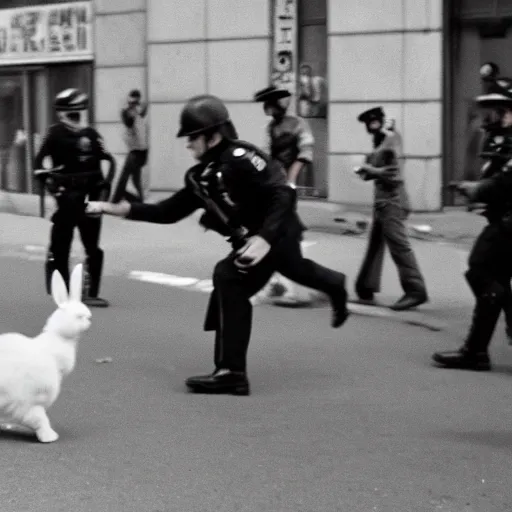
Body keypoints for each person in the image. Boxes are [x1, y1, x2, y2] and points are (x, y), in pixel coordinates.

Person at [86, 94, 350, 395]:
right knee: (295, 269)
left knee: (230, 278)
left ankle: (232, 372)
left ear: (212, 136)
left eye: (192, 138)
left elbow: (282, 194)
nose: (188, 145)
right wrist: (116, 209)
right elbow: (167, 212)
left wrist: (265, 238)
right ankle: (336, 285)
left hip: (276, 232)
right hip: (257, 240)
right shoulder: (201, 176)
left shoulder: (242, 157)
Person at [433, 79, 512, 370]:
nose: (487, 118)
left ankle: (476, 351)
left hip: (508, 225)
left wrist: (476, 189)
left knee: (481, 271)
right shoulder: (501, 140)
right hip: (503, 221)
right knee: (497, 279)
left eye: (495, 111)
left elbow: (506, 182)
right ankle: (476, 351)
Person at [34, 88, 115, 308]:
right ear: (62, 113)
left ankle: (90, 291)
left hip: (90, 197)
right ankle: (63, 290)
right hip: (66, 197)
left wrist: (102, 192)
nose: (79, 117)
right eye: (74, 113)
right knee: (60, 245)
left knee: (92, 246)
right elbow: (38, 166)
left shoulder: (92, 135)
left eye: (81, 112)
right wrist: (55, 190)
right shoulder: (54, 134)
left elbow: (107, 163)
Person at [353, 107, 428, 311]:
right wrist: (366, 172)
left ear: (381, 121)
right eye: (369, 123)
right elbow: (377, 172)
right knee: (375, 245)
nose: (371, 125)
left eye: (374, 121)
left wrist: (369, 170)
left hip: (392, 200)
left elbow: (394, 174)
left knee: (399, 246)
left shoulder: (391, 139)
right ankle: (365, 288)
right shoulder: (379, 142)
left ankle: (416, 290)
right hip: (382, 201)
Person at [254, 85, 315, 303]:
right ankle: (276, 282)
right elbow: (267, 157)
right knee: (277, 231)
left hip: (287, 186)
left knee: (284, 231)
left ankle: (294, 287)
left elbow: (306, 152)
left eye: (270, 105)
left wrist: (291, 180)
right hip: (275, 185)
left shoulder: (298, 124)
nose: (268, 110)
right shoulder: (270, 128)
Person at [111, 89, 148, 203]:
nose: (132, 105)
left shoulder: (134, 113)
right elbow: (128, 119)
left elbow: (129, 121)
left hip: (136, 151)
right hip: (140, 150)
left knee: (124, 176)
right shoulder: (133, 112)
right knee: (135, 177)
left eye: (134, 102)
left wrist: (132, 106)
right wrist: (132, 106)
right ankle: (140, 199)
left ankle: (115, 200)